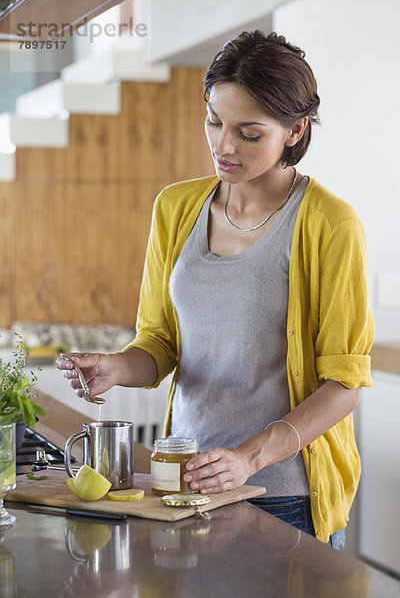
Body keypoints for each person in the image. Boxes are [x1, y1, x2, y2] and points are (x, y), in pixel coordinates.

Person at [57, 30, 374, 548]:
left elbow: (345, 385)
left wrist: (248, 457)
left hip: (283, 495)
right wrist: (116, 368)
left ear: (295, 130)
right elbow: (159, 345)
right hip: (183, 483)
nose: (224, 146)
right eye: (214, 121)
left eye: (249, 133)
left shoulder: (330, 224)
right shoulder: (176, 207)